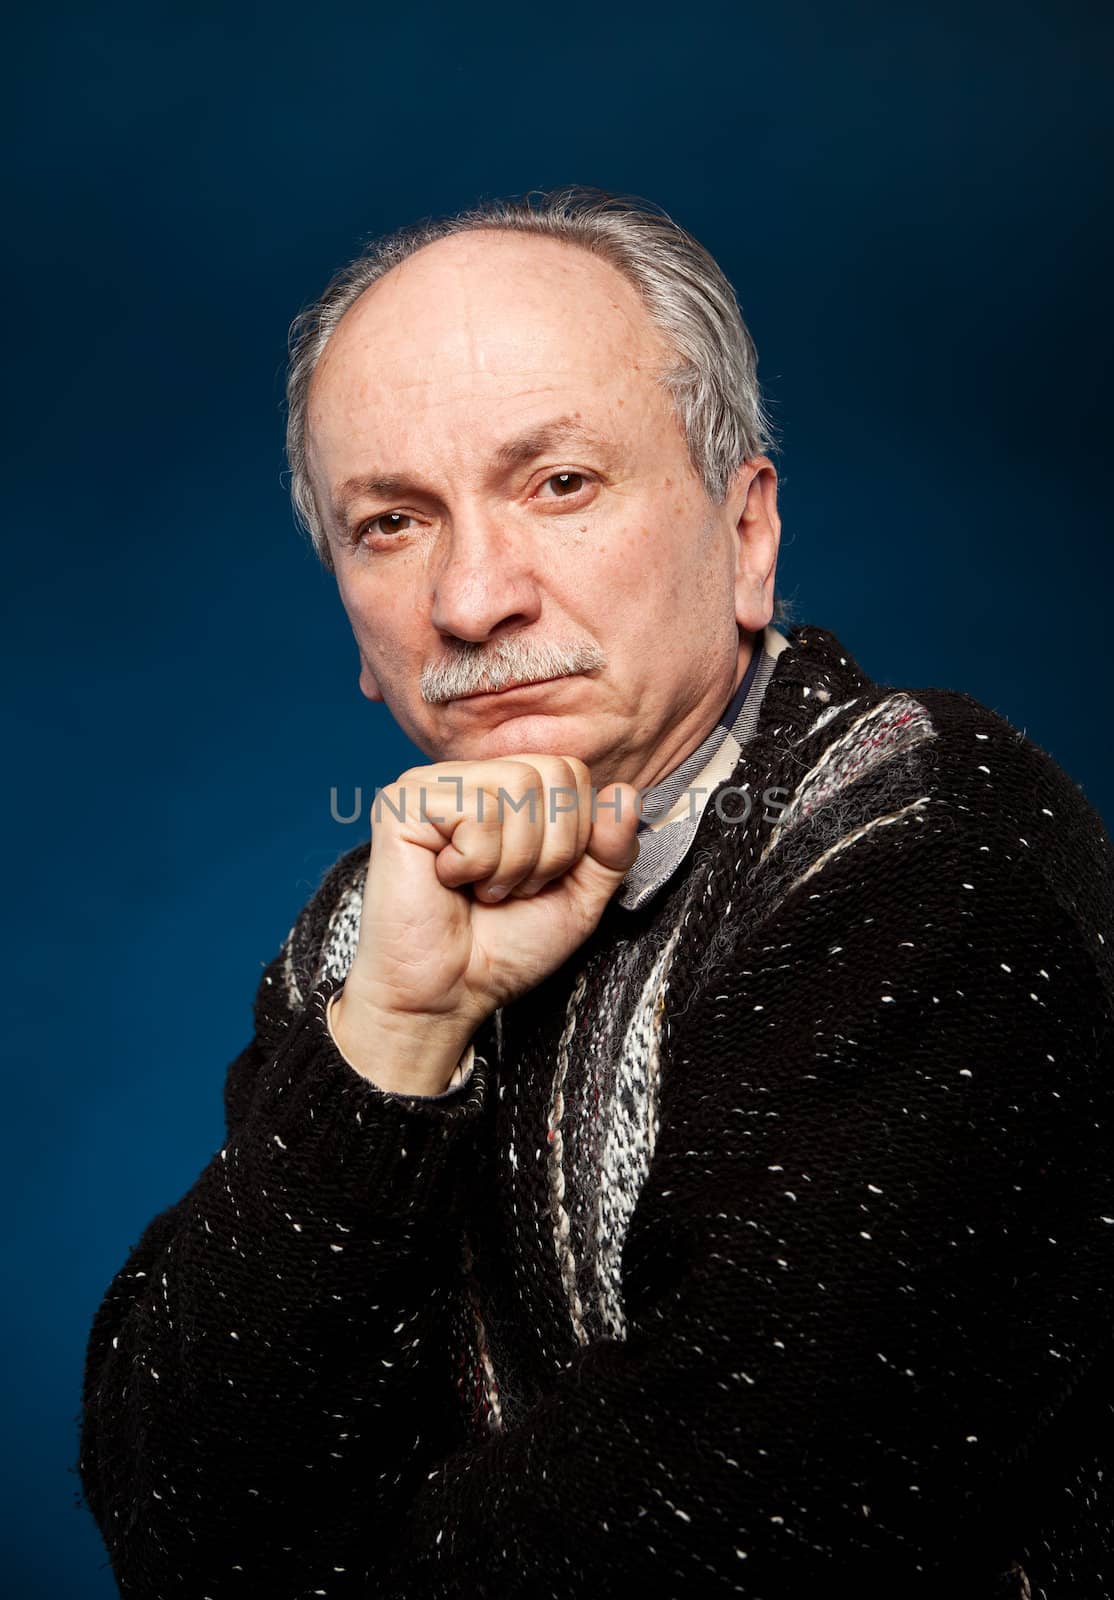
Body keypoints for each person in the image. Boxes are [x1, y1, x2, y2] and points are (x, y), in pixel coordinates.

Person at [78, 187, 1114, 1598]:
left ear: (744, 535)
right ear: (352, 627)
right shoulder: (373, 927)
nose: (471, 599)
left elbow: (734, 1532)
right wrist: (395, 1033)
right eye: (390, 522)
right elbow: (169, 1502)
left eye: (557, 484)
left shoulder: (927, 840)